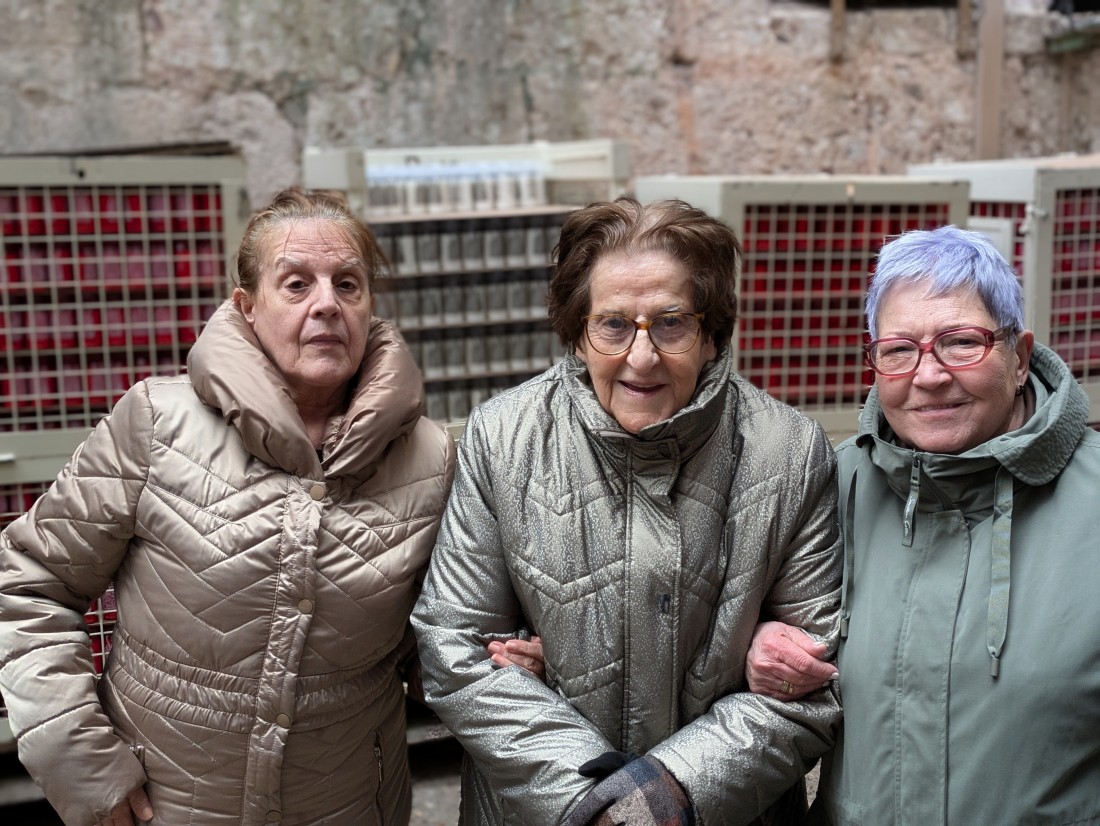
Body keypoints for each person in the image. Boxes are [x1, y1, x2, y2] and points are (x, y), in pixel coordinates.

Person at [0, 189, 457, 826]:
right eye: (296, 284)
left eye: (348, 284)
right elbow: (30, 584)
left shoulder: (431, 458)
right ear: (247, 307)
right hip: (163, 808)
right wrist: (78, 759)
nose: (327, 303)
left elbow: (432, 640)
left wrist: (509, 654)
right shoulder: (157, 424)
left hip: (351, 803)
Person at [411, 196, 843, 825]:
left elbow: (814, 680)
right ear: (577, 332)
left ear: (711, 334)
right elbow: (456, 648)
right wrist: (593, 802)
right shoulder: (503, 438)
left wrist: (676, 790)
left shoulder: (790, 452)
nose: (641, 357)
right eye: (613, 325)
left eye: (671, 323)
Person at [747, 225, 1100, 824]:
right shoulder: (827, 487)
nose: (929, 375)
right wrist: (756, 643)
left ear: (1018, 358)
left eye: (961, 343)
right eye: (899, 350)